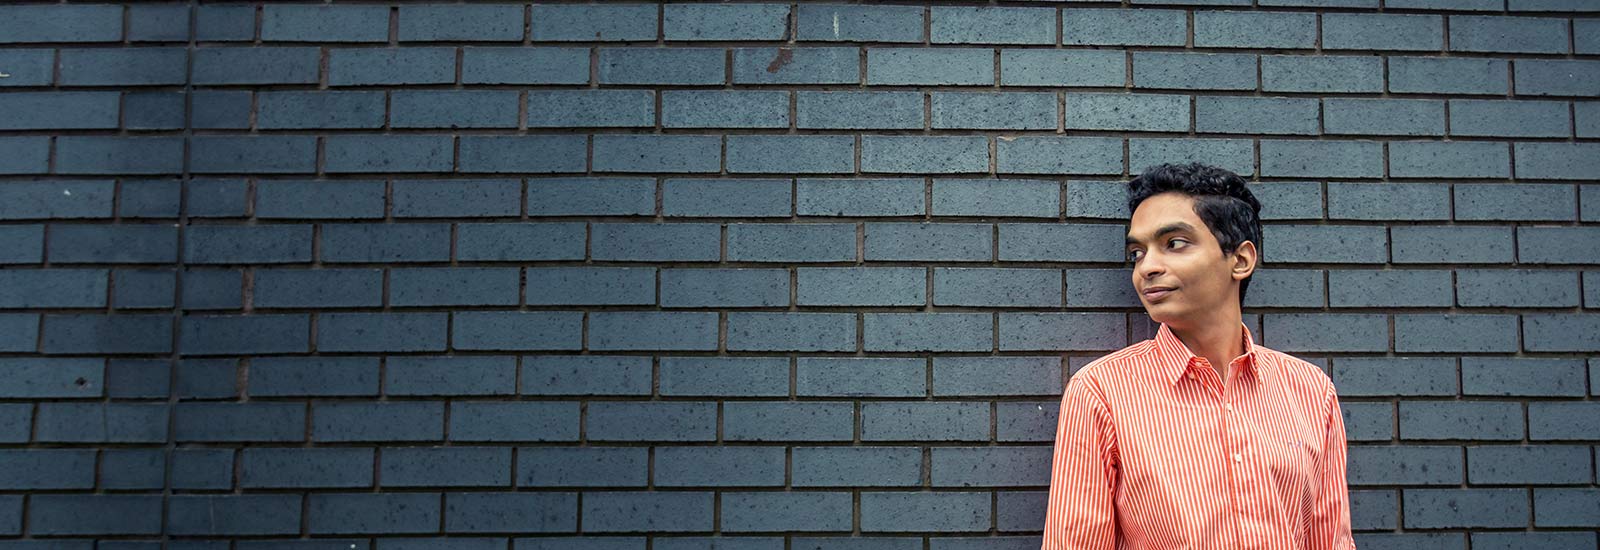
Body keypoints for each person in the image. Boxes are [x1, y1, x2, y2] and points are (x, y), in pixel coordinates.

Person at [1041, 162, 1356, 550]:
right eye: (1137, 252)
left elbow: (1331, 540)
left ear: (1240, 260)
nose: (1147, 268)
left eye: (1174, 243)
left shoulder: (1310, 391)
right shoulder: (1102, 392)